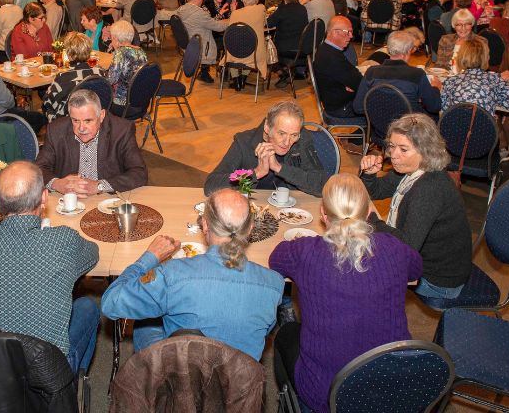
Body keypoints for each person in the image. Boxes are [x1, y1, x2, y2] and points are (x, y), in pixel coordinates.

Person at [270, 173, 422, 413]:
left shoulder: (306, 252)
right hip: (392, 384)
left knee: (286, 334)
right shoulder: (393, 247)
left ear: (323, 214)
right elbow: (416, 270)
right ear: (368, 212)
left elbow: (276, 258)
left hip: (326, 393)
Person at [102, 188, 283, 359]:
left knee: (145, 322)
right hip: (238, 385)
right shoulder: (275, 284)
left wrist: (149, 258)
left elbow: (111, 304)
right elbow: (262, 331)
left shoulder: (172, 275)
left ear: (205, 225)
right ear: (250, 228)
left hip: (179, 377)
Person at [0, 161, 99, 371]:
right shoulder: (63, 241)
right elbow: (92, 254)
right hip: (46, 374)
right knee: (87, 307)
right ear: (44, 198)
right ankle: (71, 382)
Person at [359, 113, 472, 298]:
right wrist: (370, 174)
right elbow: (378, 191)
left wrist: (373, 220)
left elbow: (405, 247)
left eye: (403, 149)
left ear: (425, 151)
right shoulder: (410, 170)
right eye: (392, 146)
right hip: (429, 262)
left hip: (439, 281)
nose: (393, 155)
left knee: (360, 272)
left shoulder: (430, 188)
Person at [35, 89, 147, 195]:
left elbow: (139, 173)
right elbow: (38, 168)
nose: (81, 128)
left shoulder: (122, 131)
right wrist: (57, 184)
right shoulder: (55, 130)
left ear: (101, 115)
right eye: (75, 121)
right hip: (68, 201)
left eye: (88, 121)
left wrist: (99, 186)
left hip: (107, 200)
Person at [205, 101, 328, 196]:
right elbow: (211, 185)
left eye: (294, 135)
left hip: (291, 209)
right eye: (281, 133)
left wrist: (279, 168)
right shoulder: (244, 142)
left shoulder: (301, 140)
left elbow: (322, 185)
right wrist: (256, 173)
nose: (287, 142)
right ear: (267, 128)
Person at [353, 30, 442, 117]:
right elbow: (434, 107)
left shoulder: (371, 72)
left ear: (388, 49)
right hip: (409, 129)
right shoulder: (417, 74)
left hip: (379, 129)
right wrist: (436, 88)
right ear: (409, 51)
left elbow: (358, 108)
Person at [441, 37, 509, 114]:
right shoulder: (495, 80)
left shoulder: (450, 82)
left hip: (453, 130)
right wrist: (496, 98)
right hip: (483, 130)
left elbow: (444, 109)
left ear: (460, 57)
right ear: (486, 58)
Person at [42, 33, 102, 122]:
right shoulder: (101, 73)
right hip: (95, 117)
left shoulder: (63, 78)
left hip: (69, 121)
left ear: (69, 54)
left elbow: (48, 102)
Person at [312, 16, 363, 118]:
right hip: (341, 108)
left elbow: (354, 78)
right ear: (335, 32)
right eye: (347, 32)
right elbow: (359, 82)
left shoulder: (326, 49)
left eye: (351, 32)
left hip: (337, 101)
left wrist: (351, 83)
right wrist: (353, 83)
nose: (351, 36)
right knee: (381, 103)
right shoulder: (331, 57)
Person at [176, 0, 228, 83]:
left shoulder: (180, 10)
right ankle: (224, 71)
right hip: (200, 45)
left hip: (188, 44)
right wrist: (232, 21)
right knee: (226, 41)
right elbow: (218, 27)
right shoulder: (200, 13)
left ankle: (206, 72)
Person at [224, 0, 267, 91]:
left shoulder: (235, 13)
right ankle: (243, 78)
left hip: (235, 54)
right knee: (254, 44)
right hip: (254, 55)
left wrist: (233, 10)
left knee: (234, 46)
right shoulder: (261, 9)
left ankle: (236, 80)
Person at [106, 20, 148, 113]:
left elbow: (111, 80)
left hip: (123, 104)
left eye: (111, 38)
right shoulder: (141, 52)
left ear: (116, 39)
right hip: (141, 100)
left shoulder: (119, 53)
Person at [435, 8, 489, 73]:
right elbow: (439, 65)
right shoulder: (446, 40)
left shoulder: (481, 42)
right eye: (459, 24)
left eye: (467, 24)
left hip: (470, 78)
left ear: (472, 25)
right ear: (454, 26)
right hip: (447, 76)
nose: (463, 28)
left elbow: (483, 67)